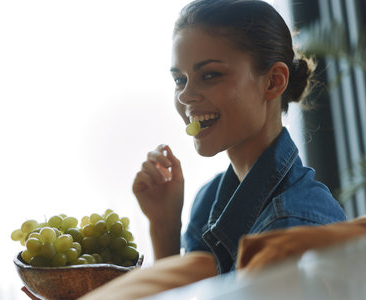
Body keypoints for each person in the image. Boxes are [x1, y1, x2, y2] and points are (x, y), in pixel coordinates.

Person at [131, 0, 347, 275]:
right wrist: (164, 225)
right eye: (179, 80)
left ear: (273, 82)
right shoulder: (208, 201)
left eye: (210, 75)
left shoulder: (289, 226)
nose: (185, 96)